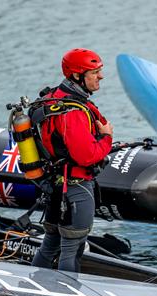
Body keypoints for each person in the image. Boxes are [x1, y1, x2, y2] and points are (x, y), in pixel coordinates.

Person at [30, 48, 113, 273]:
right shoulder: (73, 112)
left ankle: (33, 287)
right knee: (72, 250)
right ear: (77, 75)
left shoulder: (52, 98)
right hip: (76, 188)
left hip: (54, 186)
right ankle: (66, 294)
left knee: (50, 245)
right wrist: (106, 137)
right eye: (94, 72)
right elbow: (86, 156)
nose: (101, 76)